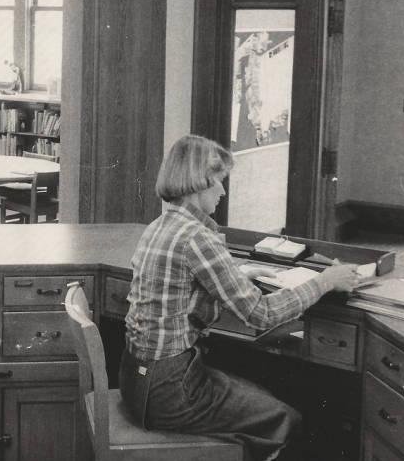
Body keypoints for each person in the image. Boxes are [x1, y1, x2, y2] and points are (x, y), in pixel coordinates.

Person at [120, 134, 358, 461]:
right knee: (287, 419)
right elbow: (260, 314)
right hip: (171, 391)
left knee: (255, 385)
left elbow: (181, 284)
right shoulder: (197, 237)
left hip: (137, 381)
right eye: (218, 181)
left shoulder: (161, 225)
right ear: (198, 182)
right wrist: (325, 281)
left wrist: (238, 277)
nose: (222, 190)